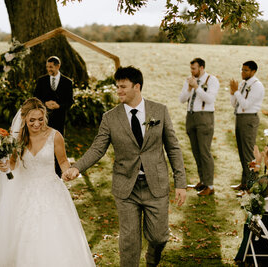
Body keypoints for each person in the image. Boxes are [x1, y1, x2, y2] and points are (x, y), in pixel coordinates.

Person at [63, 66, 187, 267]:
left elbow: (173, 148)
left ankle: (152, 260)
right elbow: (97, 148)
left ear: (137, 87)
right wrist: (77, 168)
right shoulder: (110, 117)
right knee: (129, 241)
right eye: (117, 86)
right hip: (126, 188)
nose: (118, 91)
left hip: (155, 186)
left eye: (123, 86)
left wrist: (181, 183)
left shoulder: (159, 111)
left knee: (158, 237)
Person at [0, 97, 95, 267]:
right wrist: (4, 166)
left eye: (40, 119)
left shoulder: (55, 136)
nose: (37, 124)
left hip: (51, 192)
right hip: (25, 193)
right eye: (32, 120)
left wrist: (68, 172)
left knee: (53, 235)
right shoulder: (18, 140)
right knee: (23, 237)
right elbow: (13, 165)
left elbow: (63, 162)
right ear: (24, 120)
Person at [179, 57, 219, 196]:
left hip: (205, 117)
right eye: (191, 68)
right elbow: (182, 99)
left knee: (204, 151)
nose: (192, 71)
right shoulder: (189, 80)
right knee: (196, 151)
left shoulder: (212, 80)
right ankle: (202, 181)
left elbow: (210, 99)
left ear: (201, 68)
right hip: (191, 116)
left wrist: (197, 87)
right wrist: (189, 88)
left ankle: (210, 185)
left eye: (194, 68)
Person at [34, 56, 74, 176]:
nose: (48, 69)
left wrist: (59, 106)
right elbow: (35, 98)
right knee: (42, 144)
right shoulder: (41, 81)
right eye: (47, 67)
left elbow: (70, 101)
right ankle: (42, 170)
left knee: (58, 144)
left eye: (51, 67)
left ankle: (57, 172)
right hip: (43, 120)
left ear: (58, 66)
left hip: (59, 119)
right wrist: (45, 104)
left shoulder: (67, 82)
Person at [229, 60, 265, 192]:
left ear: (253, 71)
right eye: (242, 69)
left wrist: (236, 92)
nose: (242, 72)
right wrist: (233, 93)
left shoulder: (257, 85)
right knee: (242, 152)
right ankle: (244, 183)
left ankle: (251, 185)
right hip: (239, 118)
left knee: (248, 153)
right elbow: (235, 104)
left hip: (249, 119)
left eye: (246, 70)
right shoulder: (243, 84)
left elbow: (246, 104)